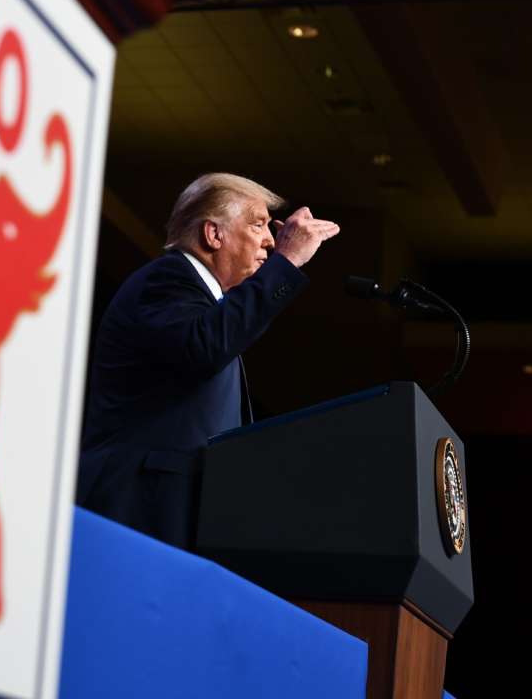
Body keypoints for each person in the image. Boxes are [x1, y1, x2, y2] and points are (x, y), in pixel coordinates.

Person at [76, 173, 340, 550]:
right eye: (258, 224)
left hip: (179, 519)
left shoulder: (206, 302)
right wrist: (288, 260)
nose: (270, 239)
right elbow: (207, 345)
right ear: (213, 235)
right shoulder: (167, 281)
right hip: (138, 514)